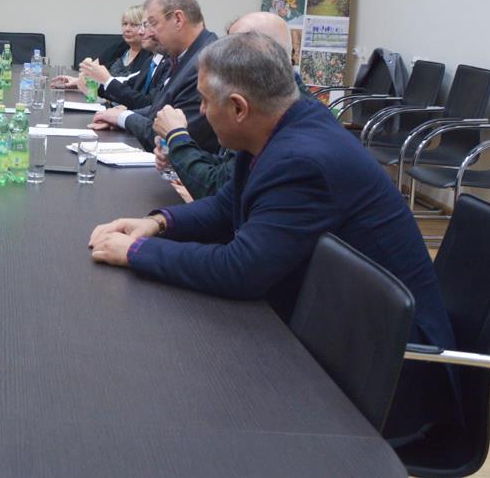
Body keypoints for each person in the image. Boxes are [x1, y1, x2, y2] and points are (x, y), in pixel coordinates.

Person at [86, 31, 459, 442]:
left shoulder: (302, 160)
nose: (201, 112)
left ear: (239, 108)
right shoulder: (282, 124)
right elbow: (228, 205)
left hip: (386, 374)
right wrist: (159, 223)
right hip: (340, 330)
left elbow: (241, 270)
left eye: (205, 101)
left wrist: (137, 252)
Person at [152, 11, 313, 200]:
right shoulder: (276, 100)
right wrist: (178, 154)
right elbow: (229, 169)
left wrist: (176, 137)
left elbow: (220, 189)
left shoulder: (283, 116)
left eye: (233, 48)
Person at [90, 0, 219, 152]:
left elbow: (170, 136)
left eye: (153, 23)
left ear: (178, 20)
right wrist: (121, 116)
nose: (148, 33)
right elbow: (159, 109)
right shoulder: (183, 56)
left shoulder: (205, 62)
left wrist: (124, 118)